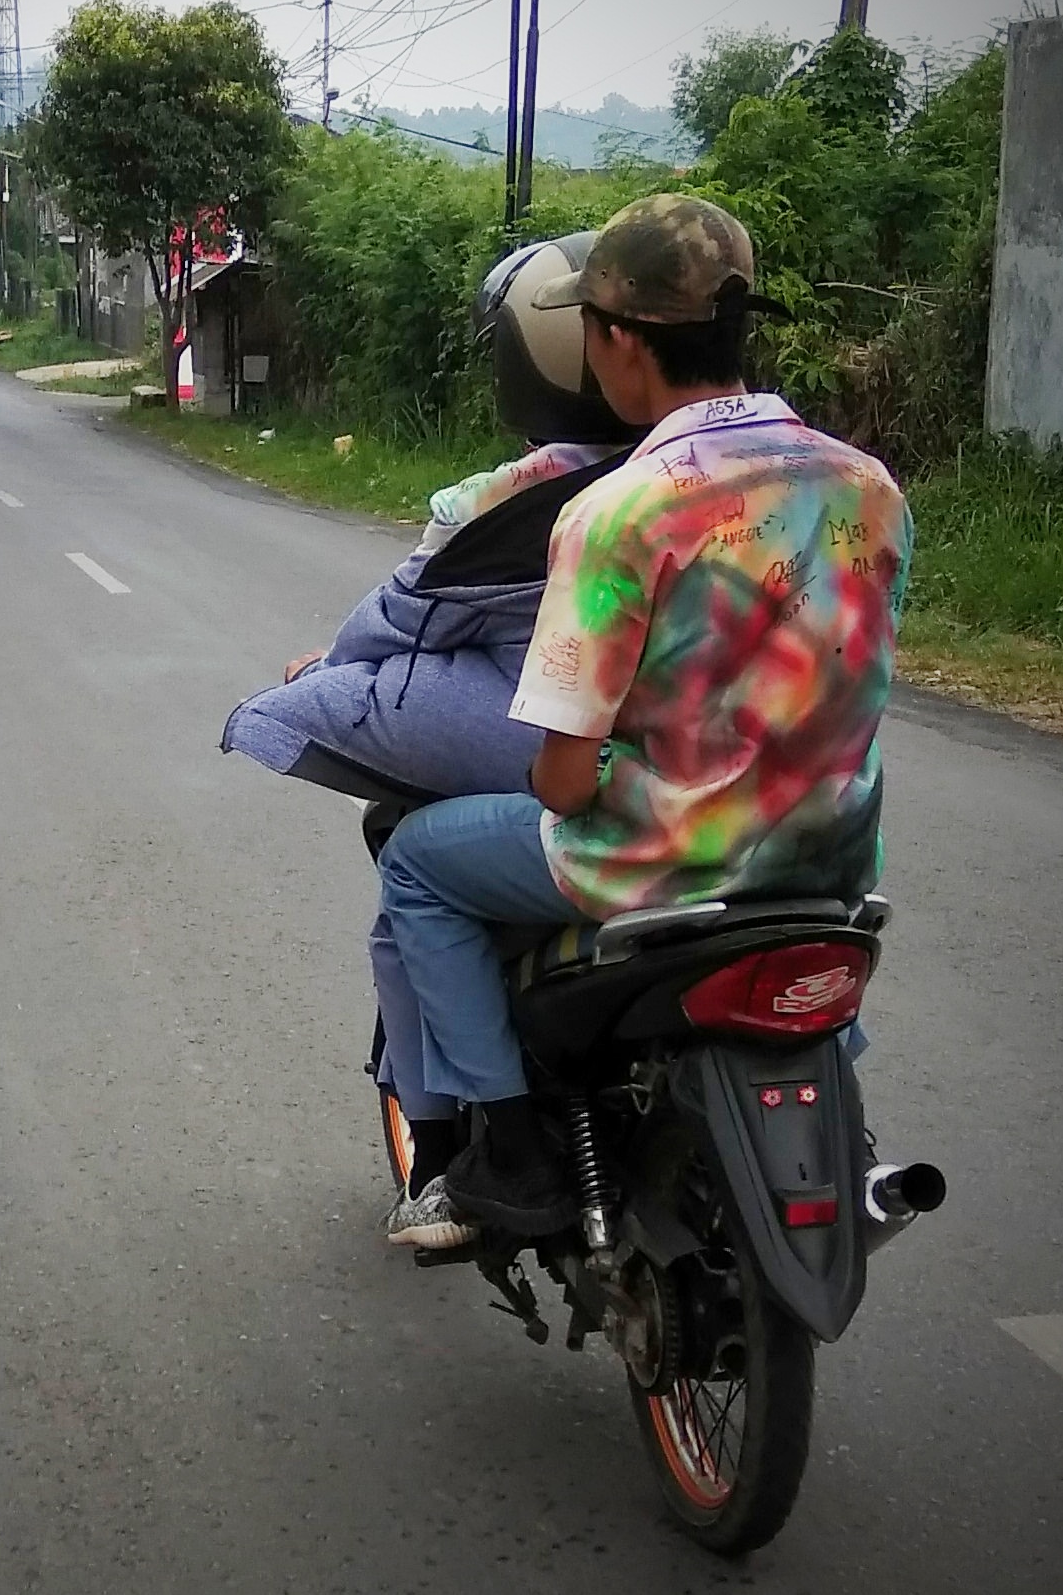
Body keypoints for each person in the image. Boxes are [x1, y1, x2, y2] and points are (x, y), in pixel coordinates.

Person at [377, 194, 913, 1239]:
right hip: (828, 855)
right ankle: (845, 1143)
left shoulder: (619, 506)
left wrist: (580, 773)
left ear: (615, 341)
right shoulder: (867, 486)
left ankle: (513, 1148)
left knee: (416, 866)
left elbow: (565, 778)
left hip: (659, 862)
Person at [220, 232, 635, 1250]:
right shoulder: (763, 478)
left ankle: (480, 1148)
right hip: (781, 806)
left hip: (625, 802)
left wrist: (321, 677)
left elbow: (399, 620)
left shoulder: (527, 501)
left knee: (412, 867)